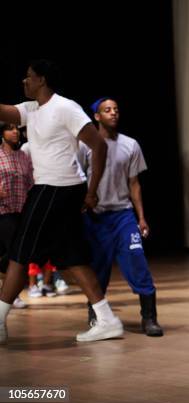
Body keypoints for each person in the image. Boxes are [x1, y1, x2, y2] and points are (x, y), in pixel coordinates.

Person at [0, 60, 123, 344]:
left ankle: (0, 320)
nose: (24, 81)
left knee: (20, 252)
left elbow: (99, 146)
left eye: (28, 77)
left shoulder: (66, 107)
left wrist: (92, 192)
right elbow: (4, 110)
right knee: (72, 256)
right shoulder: (32, 110)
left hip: (55, 188)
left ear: (42, 80)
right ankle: (107, 319)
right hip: (57, 190)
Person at [80, 97, 162, 336]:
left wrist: (141, 217)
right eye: (107, 110)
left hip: (123, 216)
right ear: (96, 116)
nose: (113, 113)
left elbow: (134, 183)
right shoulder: (84, 145)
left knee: (137, 262)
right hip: (95, 218)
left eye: (116, 109)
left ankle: (149, 318)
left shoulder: (130, 145)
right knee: (97, 269)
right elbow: (76, 178)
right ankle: (96, 317)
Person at [0, 122, 32, 309]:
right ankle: (10, 294)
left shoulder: (23, 157)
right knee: (15, 253)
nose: (15, 132)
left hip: (21, 211)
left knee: (16, 254)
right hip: (3, 211)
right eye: (9, 128)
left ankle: (10, 293)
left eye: (16, 129)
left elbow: (30, 182)